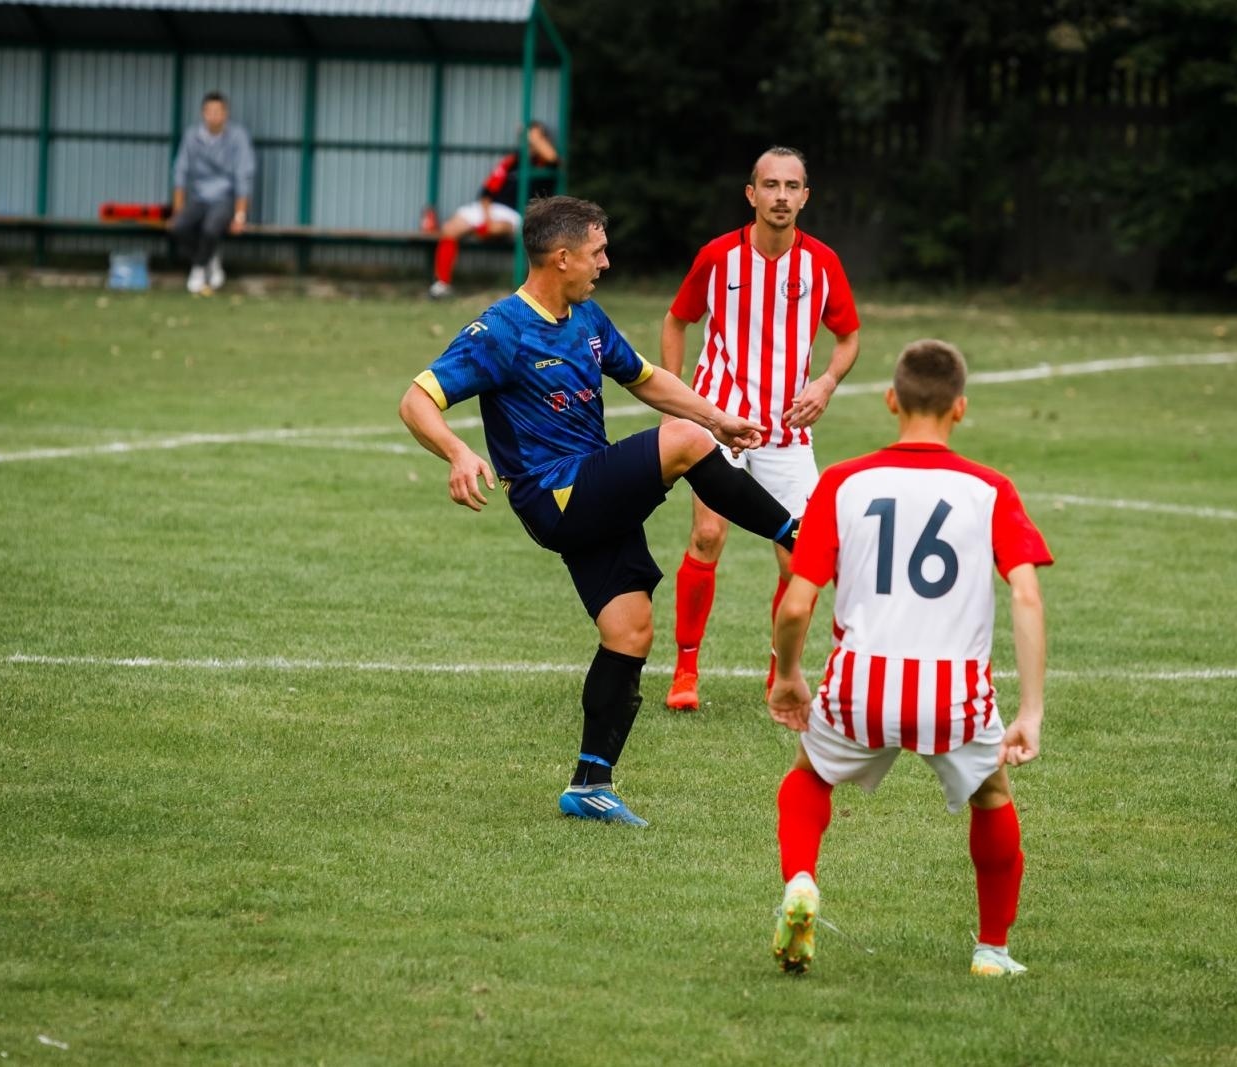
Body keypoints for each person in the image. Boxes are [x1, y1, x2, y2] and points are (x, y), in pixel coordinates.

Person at [398, 196, 802, 827]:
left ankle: (591, 784)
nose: (606, 263)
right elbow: (417, 400)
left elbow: (643, 376)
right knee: (682, 440)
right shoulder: (502, 330)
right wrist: (456, 452)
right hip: (554, 494)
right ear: (562, 258)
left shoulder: (585, 316)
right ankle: (796, 535)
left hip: (592, 490)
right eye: (597, 252)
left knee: (630, 630)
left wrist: (718, 418)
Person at [764, 339, 1053, 977]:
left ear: (892, 401)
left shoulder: (842, 482)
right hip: (954, 694)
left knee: (810, 776)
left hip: (859, 683)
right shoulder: (990, 489)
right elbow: (1027, 596)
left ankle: (801, 881)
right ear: (961, 408)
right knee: (991, 795)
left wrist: (787, 675)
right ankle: (991, 950)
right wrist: (1030, 711)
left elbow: (796, 604)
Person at [661, 146, 861, 711]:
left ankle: (782, 674)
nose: (780, 196)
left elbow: (848, 337)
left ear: (805, 197)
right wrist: (676, 402)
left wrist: (826, 382)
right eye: (770, 185)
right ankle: (685, 671)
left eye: (791, 186)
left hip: (786, 428)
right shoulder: (717, 257)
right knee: (707, 536)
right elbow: (677, 320)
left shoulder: (822, 263)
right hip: (718, 417)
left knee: (799, 557)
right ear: (751, 194)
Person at [428, 121, 560, 299]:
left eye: (534, 137)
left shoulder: (545, 162)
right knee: (449, 229)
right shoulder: (512, 161)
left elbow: (552, 158)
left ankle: (483, 230)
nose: (529, 141)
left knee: (496, 227)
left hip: (515, 214)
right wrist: (486, 215)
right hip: (490, 209)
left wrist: (532, 135)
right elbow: (486, 193)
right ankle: (442, 285)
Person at [169, 91, 255, 296]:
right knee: (178, 227)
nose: (214, 116)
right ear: (203, 113)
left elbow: (244, 176)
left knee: (210, 228)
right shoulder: (192, 136)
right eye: (210, 112)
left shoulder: (238, 136)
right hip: (198, 197)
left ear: (226, 113)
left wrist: (240, 216)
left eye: (218, 111)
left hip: (225, 197)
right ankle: (209, 258)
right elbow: (180, 172)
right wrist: (177, 209)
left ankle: (198, 270)